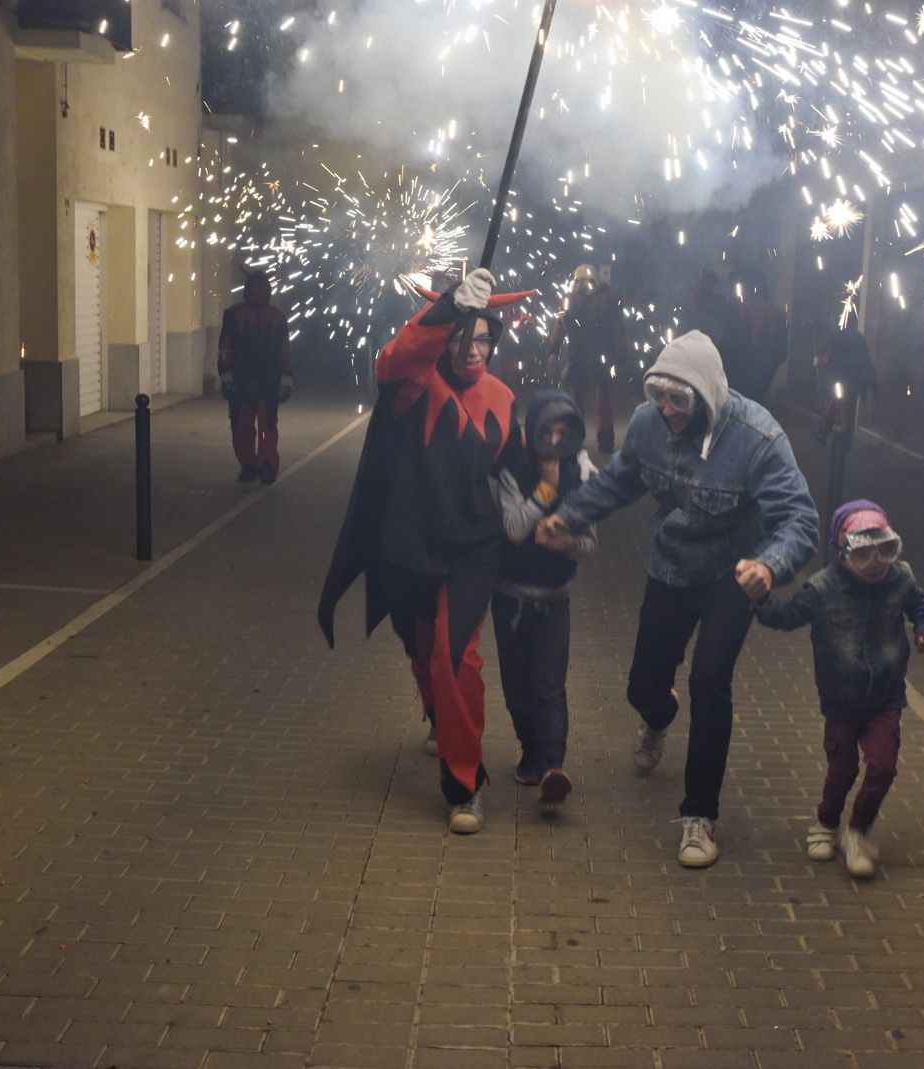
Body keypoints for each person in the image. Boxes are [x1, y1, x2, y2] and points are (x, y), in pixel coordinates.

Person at [536, 330, 819, 868]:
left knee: (710, 683)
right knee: (644, 684)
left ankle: (699, 816)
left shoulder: (758, 438)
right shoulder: (648, 425)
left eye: (680, 400)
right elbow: (618, 482)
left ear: (708, 395)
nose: (667, 410)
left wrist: (769, 565)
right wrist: (567, 516)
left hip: (733, 576)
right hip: (671, 567)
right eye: (658, 395)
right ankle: (658, 716)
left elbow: (800, 519)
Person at [317, 268, 534, 834]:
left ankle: (464, 784)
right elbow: (393, 360)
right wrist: (442, 314)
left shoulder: (504, 399)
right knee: (420, 647)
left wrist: (556, 506)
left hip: (472, 549)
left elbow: (523, 476)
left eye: (482, 338)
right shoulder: (416, 385)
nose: (471, 350)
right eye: (462, 338)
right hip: (409, 543)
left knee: (453, 654)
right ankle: (439, 712)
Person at [752, 500, 924, 877]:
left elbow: (921, 608)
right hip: (840, 698)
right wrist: (760, 597)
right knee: (842, 769)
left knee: (883, 766)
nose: (876, 564)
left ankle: (858, 831)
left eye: (885, 551)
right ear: (842, 553)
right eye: (863, 554)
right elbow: (786, 617)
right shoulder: (823, 588)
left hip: (886, 694)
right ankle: (826, 822)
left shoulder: (900, 578)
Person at [490, 389, 599, 808]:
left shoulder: (583, 472)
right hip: (510, 598)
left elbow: (591, 541)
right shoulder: (512, 469)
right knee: (518, 689)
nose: (554, 443)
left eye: (562, 433)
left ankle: (553, 767)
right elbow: (515, 528)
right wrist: (547, 491)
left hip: (555, 599)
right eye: (546, 432)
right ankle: (531, 752)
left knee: (549, 686)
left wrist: (567, 544)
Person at [218, 270, 294, 484]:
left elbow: (283, 351)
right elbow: (226, 349)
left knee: (263, 425)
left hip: (260, 379)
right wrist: (227, 376)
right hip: (252, 378)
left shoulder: (271, 317)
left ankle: (259, 465)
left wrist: (226, 376)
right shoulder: (236, 315)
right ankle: (255, 465)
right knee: (249, 425)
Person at [545, 264, 628, 455]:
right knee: (575, 400)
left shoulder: (607, 301)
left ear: (594, 283)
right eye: (579, 282)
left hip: (600, 358)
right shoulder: (571, 302)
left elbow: (618, 331)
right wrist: (553, 352)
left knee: (601, 402)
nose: (582, 286)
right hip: (578, 357)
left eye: (586, 281)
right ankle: (574, 437)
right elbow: (560, 326)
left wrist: (621, 356)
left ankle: (605, 442)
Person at [717, 266, 788, 405]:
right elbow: (781, 354)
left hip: (734, 386)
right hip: (759, 389)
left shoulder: (737, 310)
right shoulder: (778, 315)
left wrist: (711, 275)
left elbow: (701, 301)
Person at [813, 324, 878, 445]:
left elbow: (864, 361)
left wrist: (820, 360)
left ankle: (833, 433)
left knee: (839, 404)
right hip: (847, 380)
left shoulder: (840, 337)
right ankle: (834, 433)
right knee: (842, 404)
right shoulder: (852, 338)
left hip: (846, 380)